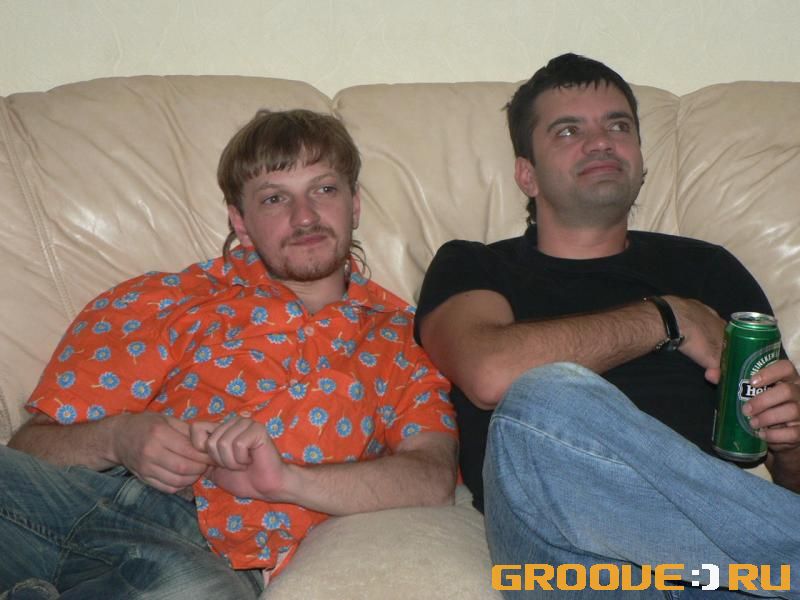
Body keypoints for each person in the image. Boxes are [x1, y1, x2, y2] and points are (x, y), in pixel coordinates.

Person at [0, 109, 458, 599]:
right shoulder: (167, 298)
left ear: (356, 204)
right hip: (83, 498)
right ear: (240, 222)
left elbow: (432, 477)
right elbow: (29, 447)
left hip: (208, 558)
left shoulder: (403, 337)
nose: (305, 216)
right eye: (275, 198)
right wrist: (118, 438)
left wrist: (286, 481)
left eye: (324, 189)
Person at [415, 53, 800, 597]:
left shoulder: (707, 268)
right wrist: (668, 317)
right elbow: (489, 373)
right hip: (557, 547)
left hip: (718, 570)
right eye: (569, 131)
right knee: (542, 399)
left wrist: (791, 441)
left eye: (618, 126)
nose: (600, 142)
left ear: (640, 159)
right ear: (527, 174)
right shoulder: (474, 265)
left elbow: (786, 474)